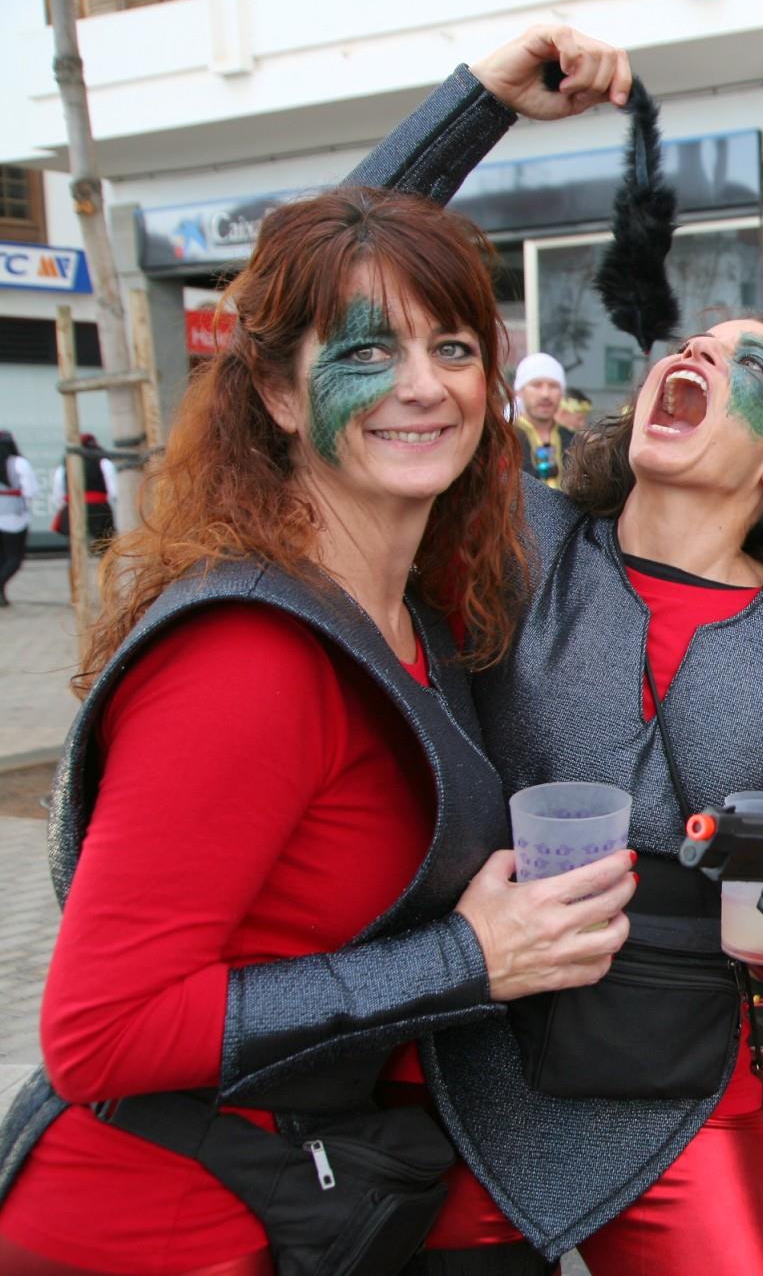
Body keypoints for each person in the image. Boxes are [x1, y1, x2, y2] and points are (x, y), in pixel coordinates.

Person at [0, 186, 635, 1274]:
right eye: (368, 352)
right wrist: (467, 957)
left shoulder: (416, 616)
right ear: (279, 395)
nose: (424, 384)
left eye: (452, 346)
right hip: (151, 1224)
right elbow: (98, 1031)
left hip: (306, 1199)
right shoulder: (249, 654)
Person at [351, 34, 763, 1273]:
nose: (692, 353)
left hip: (690, 1101)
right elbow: (334, 276)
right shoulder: (513, 532)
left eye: (742, 360)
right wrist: (475, 106)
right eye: (686, 344)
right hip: (463, 1067)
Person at [513, 352, 572, 486]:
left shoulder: (576, 442)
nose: (545, 394)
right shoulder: (503, 441)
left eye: (553, 386)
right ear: (519, 391)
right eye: (536, 385)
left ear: (562, 393)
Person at [51, 433, 116, 550]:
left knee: (76, 548)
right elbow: (113, 489)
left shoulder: (66, 463)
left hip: (73, 506)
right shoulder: (102, 461)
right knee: (105, 546)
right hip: (98, 507)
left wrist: (62, 506)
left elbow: (58, 489)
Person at [0, 430, 37, 606]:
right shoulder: (18, 463)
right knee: (14, 558)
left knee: (1, 559)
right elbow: (30, 491)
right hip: (13, 517)